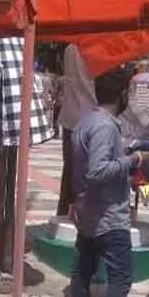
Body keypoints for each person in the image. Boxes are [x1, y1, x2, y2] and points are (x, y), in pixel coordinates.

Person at [68, 67, 149, 297]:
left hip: (90, 214)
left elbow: (80, 166)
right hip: (108, 216)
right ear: (122, 94)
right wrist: (135, 160)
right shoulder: (105, 127)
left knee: (82, 271)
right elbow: (97, 171)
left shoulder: (85, 122)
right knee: (120, 276)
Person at [56, 44, 97, 216]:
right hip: (92, 118)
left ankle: (64, 216)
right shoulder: (97, 47)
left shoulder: (70, 48)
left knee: (70, 174)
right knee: (88, 176)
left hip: (71, 118)